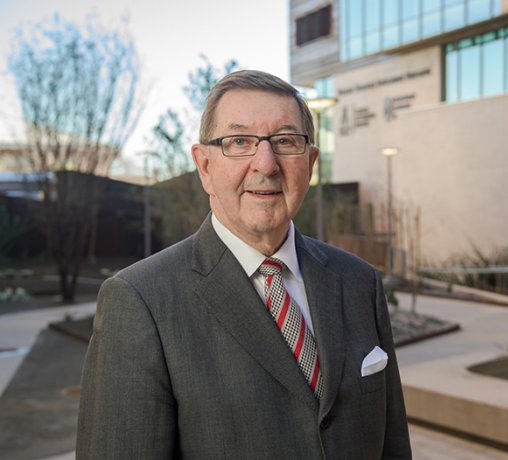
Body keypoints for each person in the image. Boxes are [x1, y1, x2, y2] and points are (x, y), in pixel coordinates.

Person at [77, 70, 412, 459]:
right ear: (204, 166)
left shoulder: (359, 282)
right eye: (239, 142)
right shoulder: (140, 301)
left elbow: (393, 446)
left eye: (285, 141)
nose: (266, 165)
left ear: (311, 162)